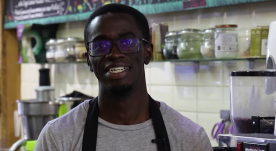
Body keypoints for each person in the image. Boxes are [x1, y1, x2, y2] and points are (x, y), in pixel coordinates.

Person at [35, 3, 213, 151]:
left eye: (127, 43)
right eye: (100, 45)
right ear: (88, 59)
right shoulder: (56, 137)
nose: (114, 54)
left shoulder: (190, 138)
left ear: (148, 52)